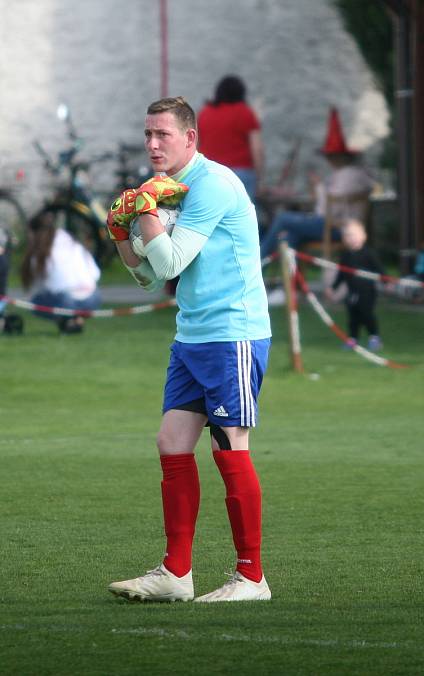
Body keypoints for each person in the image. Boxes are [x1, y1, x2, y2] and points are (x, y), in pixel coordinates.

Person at [106, 96, 272, 603]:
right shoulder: (165, 193)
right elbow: (150, 278)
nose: (153, 144)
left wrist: (146, 212)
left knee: (229, 446)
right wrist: (121, 233)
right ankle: (176, 573)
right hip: (192, 336)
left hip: (233, 334)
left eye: (164, 135)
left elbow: (173, 262)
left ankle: (252, 578)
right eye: (148, 135)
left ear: (190, 139)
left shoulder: (212, 184)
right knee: (171, 443)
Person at [259, 108, 374, 263]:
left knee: (283, 219)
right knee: (290, 235)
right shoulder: (358, 175)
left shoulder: (344, 177)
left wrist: (319, 187)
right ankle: (291, 280)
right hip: (350, 226)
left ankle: (259, 259)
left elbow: (327, 210)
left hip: (337, 228)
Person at [19, 212, 101, 334]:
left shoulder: (40, 253)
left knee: (34, 301)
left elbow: (38, 286)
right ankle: (75, 319)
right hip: (93, 298)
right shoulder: (73, 242)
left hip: (64, 301)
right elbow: (95, 273)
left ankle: (67, 319)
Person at [197, 75, 265, 201]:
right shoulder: (245, 113)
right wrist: (259, 178)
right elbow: (257, 149)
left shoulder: (204, 113)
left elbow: (195, 147)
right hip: (240, 175)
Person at [325, 218, 384, 351]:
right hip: (352, 292)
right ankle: (353, 338)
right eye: (347, 235)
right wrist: (332, 288)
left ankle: (374, 337)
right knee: (353, 316)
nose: (351, 238)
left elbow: (379, 269)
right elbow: (341, 274)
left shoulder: (369, 254)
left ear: (363, 236)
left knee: (367, 314)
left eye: (354, 234)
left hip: (367, 292)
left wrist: (386, 281)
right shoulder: (346, 256)